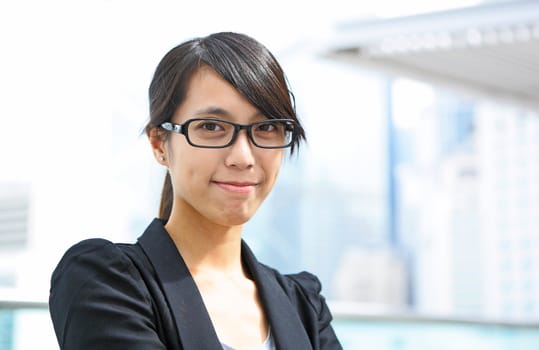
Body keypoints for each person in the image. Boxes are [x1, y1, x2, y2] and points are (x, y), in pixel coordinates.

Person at [49, 32, 343, 350]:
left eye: (266, 128)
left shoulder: (303, 305)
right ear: (160, 143)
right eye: (212, 127)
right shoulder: (107, 281)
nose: (243, 158)